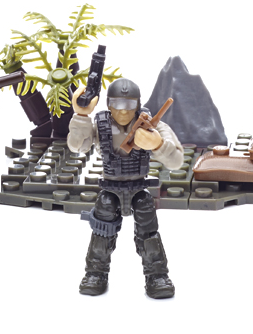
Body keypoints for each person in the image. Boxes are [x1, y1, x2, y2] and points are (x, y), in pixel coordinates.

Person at [68, 78, 184, 298]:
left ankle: (156, 275)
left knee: (148, 234)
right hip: (110, 189)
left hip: (139, 188)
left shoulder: (152, 125)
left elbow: (177, 160)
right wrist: (81, 116)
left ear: (138, 104)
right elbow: (77, 146)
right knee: (102, 233)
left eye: (129, 105)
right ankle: (96, 273)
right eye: (117, 104)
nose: (123, 111)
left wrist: (158, 144)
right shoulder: (100, 124)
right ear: (108, 104)